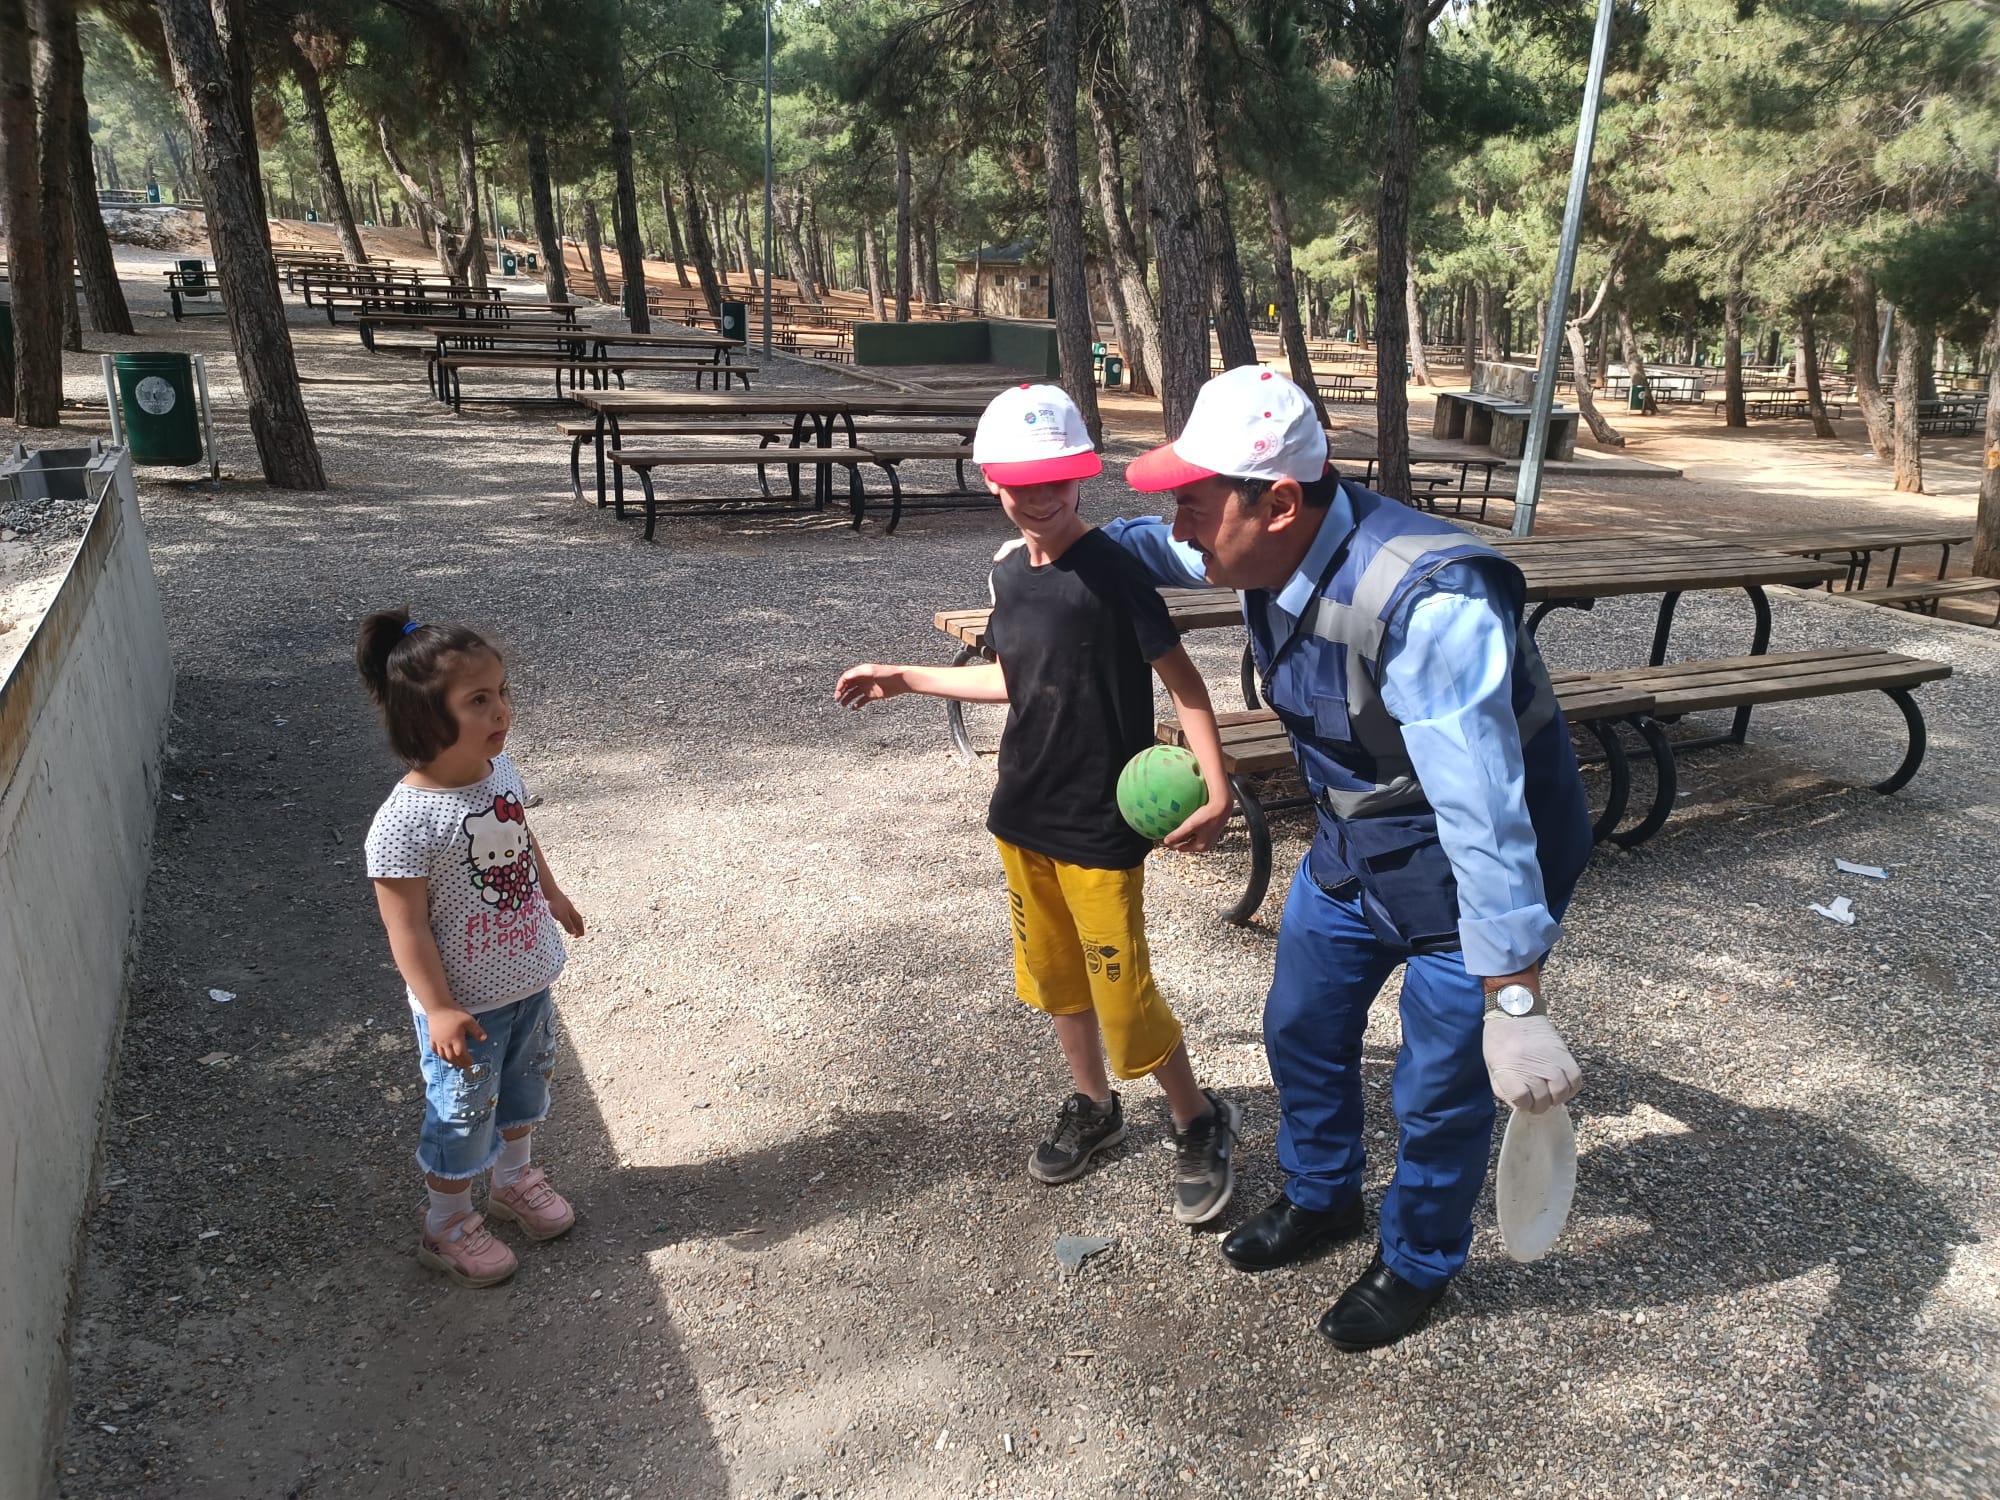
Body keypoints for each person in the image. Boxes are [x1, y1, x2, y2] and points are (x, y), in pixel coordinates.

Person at [1104, 366, 1590, 1349]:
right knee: (1299, 1027)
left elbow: (1483, 814)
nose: (1181, 530)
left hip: (1471, 865)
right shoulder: (1249, 535)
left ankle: (1417, 1260)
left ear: (1277, 501)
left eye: (1192, 506)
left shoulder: (1428, 602)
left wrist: (1514, 1001)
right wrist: (1057, 546)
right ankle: (1323, 1196)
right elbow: (1151, 546)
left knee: (1438, 1088)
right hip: (1354, 839)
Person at [835, 384, 1242, 1224]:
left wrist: (1218, 786)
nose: (1039, 495)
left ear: (1081, 476)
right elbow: (1017, 678)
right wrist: (907, 677)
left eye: (1055, 477)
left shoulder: (1116, 571)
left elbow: (1187, 684)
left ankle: (1198, 1118)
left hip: (1101, 830)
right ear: (992, 482)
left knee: (1124, 999)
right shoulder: (1006, 572)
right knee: (1057, 982)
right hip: (1022, 816)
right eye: (1021, 480)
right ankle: (1093, 1106)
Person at [359, 610, 587, 1288]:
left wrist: (551, 893)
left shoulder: (499, 770)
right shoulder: (404, 822)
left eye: (502, 692)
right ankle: (447, 1223)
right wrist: (440, 1010)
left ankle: (513, 1182)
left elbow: (520, 836)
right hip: (464, 1010)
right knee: (460, 1114)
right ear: (424, 716)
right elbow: (407, 929)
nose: (501, 710)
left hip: (526, 978)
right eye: (478, 700)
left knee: (522, 1091)